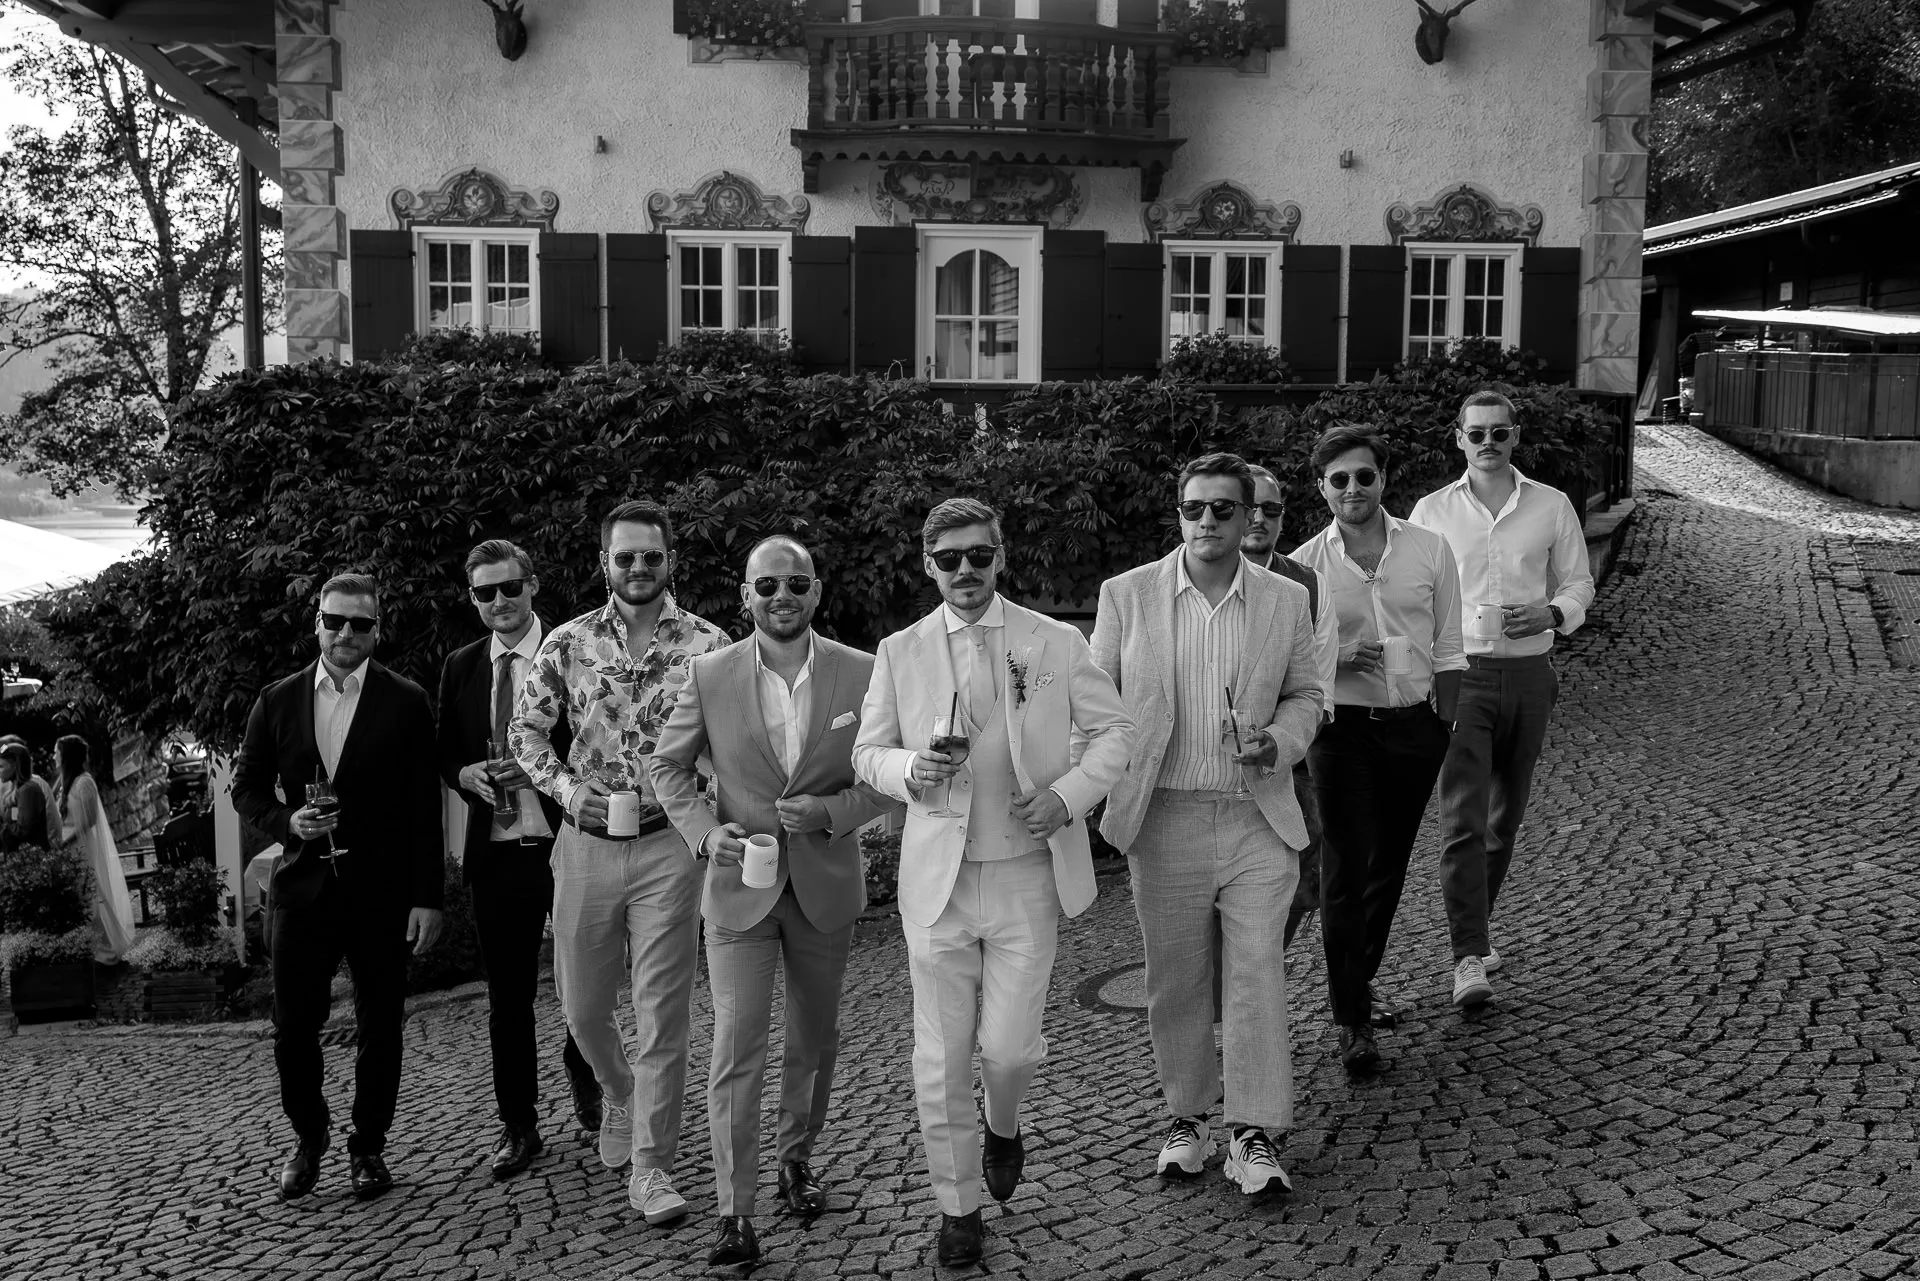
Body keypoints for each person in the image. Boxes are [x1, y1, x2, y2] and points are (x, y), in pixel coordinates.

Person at [853, 497, 1135, 1268]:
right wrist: (908, 768)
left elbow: (1116, 732)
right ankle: (957, 1206)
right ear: (928, 564)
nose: (966, 571)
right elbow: (867, 752)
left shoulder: (1053, 640)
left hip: (1025, 874)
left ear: (1000, 555)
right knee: (941, 1055)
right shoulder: (899, 649)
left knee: (1007, 1050)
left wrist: (1068, 793)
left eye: (979, 555)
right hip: (936, 884)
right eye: (950, 559)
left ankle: (1004, 1125)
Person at [650, 535, 897, 1268]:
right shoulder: (707, 673)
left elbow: (887, 773)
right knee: (736, 1049)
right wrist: (703, 832)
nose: (781, 595)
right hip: (739, 893)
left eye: (795, 582)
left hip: (823, 888)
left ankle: (796, 1159)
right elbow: (666, 768)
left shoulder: (864, 670)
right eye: (766, 585)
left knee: (814, 1042)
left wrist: (832, 813)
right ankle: (735, 1210)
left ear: (816, 590)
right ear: (745, 595)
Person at [1090, 452, 1321, 1198]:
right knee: (1176, 979)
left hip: (1256, 813)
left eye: (1226, 508)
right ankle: (1186, 1117)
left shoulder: (1285, 599)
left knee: (1257, 971)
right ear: (1178, 510)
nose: (1209, 522)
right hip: (1165, 816)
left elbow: (1308, 696)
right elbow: (1096, 707)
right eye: (1196, 508)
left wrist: (1279, 741)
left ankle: (1252, 1131)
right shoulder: (1126, 595)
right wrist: (1079, 788)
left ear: (1251, 513)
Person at [511, 499, 728, 1225]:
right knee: (581, 1008)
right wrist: (573, 793)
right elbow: (526, 733)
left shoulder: (711, 643)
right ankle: (621, 1091)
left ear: (671, 560)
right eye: (625, 556)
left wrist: (707, 812)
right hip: (585, 848)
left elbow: (734, 747)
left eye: (652, 556)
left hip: (671, 847)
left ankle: (653, 1167)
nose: (640, 568)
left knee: (662, 1013)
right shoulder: (568, 642)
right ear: (604, 562)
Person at [232, 572, 444, 1201]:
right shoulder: (276, 700)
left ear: (377, 629)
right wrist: (286, 823)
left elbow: (422, 809)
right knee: (292, 1027)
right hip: (302, 891)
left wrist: (427, 896)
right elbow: (244, 790)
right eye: (335, 621)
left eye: (360, 624)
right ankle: (310, 1136)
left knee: (383, 1026)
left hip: (381, 893)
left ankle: (368, 1147)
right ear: (316, 622)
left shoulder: (406, 700)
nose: (346, 633)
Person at [1409, 389, 1595, 1007]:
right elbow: (1416, 595)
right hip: (1462, 676)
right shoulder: (1431, 512)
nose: (1488, 443)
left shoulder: (1551, 505)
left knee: (1503, 818)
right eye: (1477, 433)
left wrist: (1552, 612)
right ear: (1458, 438)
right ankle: (1467, 957)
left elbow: (1579, 582)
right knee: (1462, 817)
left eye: (1499, 433)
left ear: (1515, 437)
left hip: (1531, 675)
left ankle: (1477, 932)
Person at [1290, 425, 1466, 1070]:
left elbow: (1449, 641)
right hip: (1341, 732)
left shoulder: (1429, 548)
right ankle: (1353, 1018)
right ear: (1322, 488)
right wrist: (1340, 653)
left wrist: (1443, 725)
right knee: (1344, 866)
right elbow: (1290, 659)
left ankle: (1355, 979)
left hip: (1414, 726)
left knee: (1388, 865)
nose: (1353, 488)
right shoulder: (1305, 565)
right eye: (1339, 479)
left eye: (1364, 475)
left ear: (1383, 480)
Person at [436, 538, 600, 1180]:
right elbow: (444, 750)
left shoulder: (571, 653)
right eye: (485, 592)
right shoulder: (461, 665)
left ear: (532, 586)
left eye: (510, 587)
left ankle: (588, 1082)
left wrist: (545, 772)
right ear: (473, 599)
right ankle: (519, 1124)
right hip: (497, 850)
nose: (499, 601)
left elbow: (596, 739)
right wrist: (465, 773)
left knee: (586, 983)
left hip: (568, 843)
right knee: (506, 997)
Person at [1239, 464, 1337, 951]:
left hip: (1292, 760)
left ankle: (1266, 964)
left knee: (1301, 879)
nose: (1259, 518)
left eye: (1270, 509)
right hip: (1210, 764)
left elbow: (1318, 686)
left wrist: (1284, 738)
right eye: (1248, 507)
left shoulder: (1308, 586)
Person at [51, 734, 137, 963]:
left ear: (66, 755)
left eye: (56, 752)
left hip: (80, 846)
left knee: (91, 895)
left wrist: (63, 841)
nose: (53, 756)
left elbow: (87, 820)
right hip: (68, 846)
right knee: (78, 897)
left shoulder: (84, 782)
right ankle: (87, 946)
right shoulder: (64, 781)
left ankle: (106, 950)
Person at [1, 740, 57, 853]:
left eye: (1, 766)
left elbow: (23, 830)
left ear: (15, 766)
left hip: (30, 860)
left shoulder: (28, 790)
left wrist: (4, 827)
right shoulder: (18, 790)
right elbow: (17, 820)